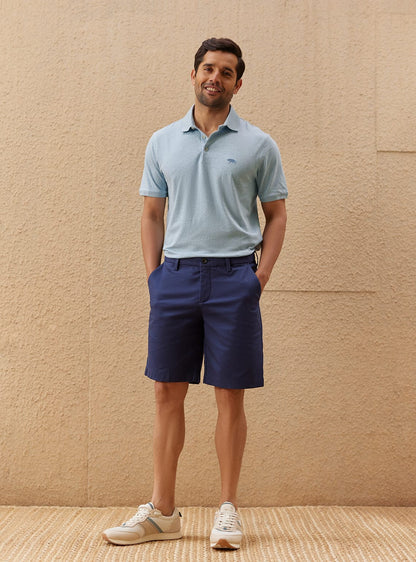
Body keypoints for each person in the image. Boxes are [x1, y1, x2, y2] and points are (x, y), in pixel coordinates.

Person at [102, 37, 287, 550]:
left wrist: (259, 278)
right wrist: (154, 277)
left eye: (226, 72)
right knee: (166, 393)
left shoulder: (259, 144)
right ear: (193, 74)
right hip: (176, 278)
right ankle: (163, 511)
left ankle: (228, 509)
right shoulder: (162, 141)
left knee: (230, 394)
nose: (215, 78)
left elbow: (276, 215)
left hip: (234, 279)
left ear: (237, 84)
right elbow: (151, 213)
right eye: (208, 68)